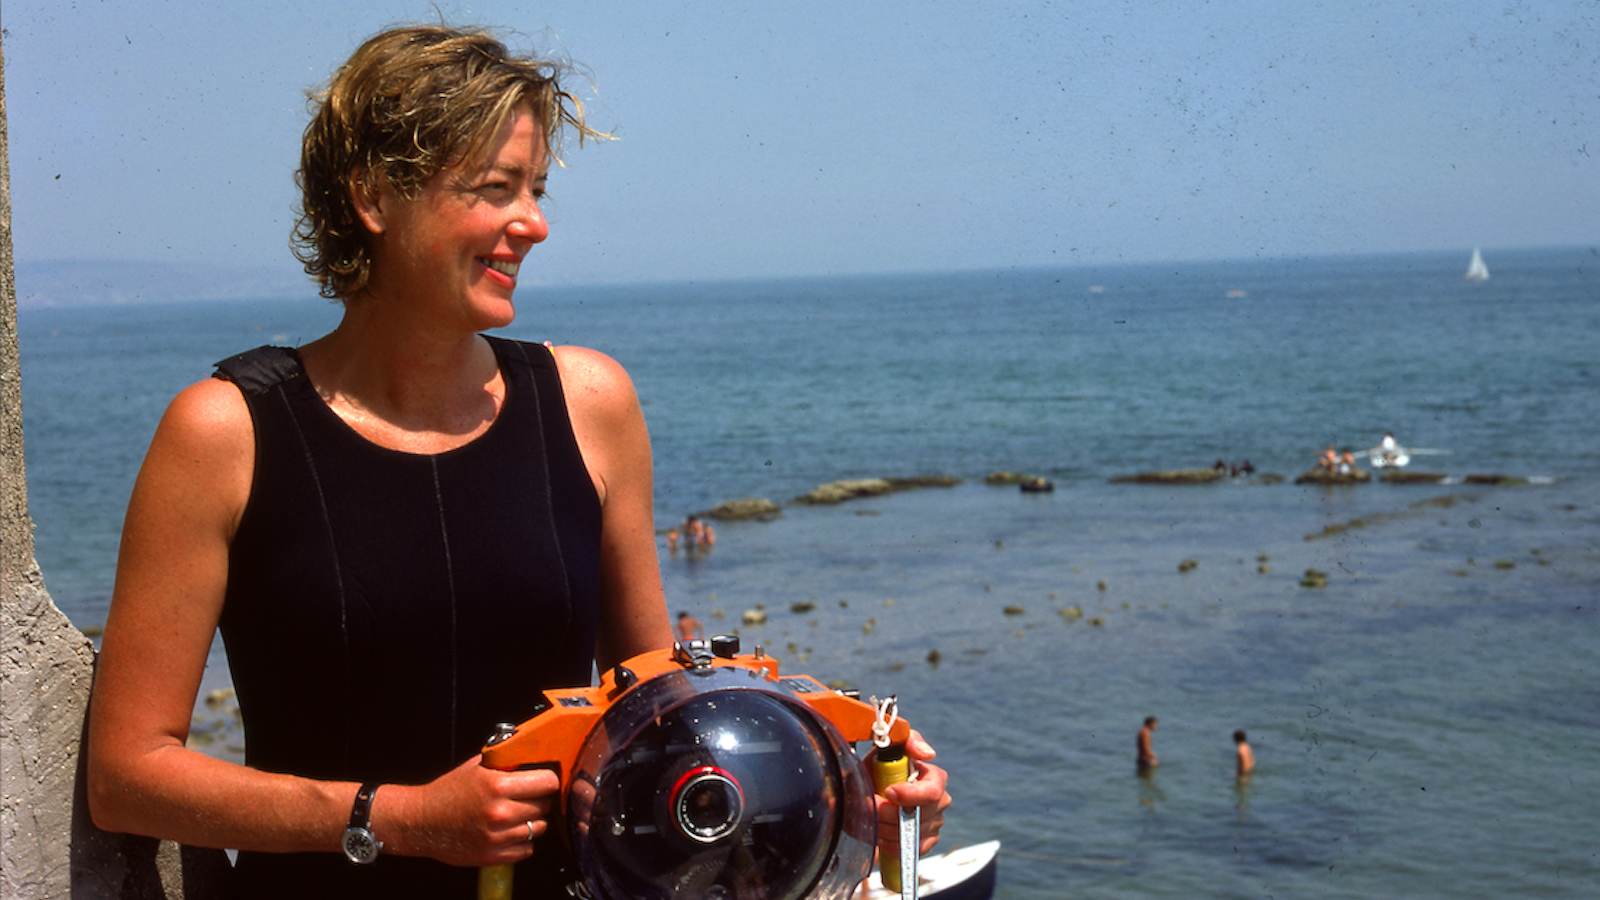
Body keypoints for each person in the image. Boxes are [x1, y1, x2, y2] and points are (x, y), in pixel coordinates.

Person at [84, 24, 947, 899]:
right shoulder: (227, 430)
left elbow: (666, 719)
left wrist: (840, 782)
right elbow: (126, 776)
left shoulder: (589, 402)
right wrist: (399, 820)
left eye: (534, 189)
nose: (532, 224)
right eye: (496, 189)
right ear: (376, 197)